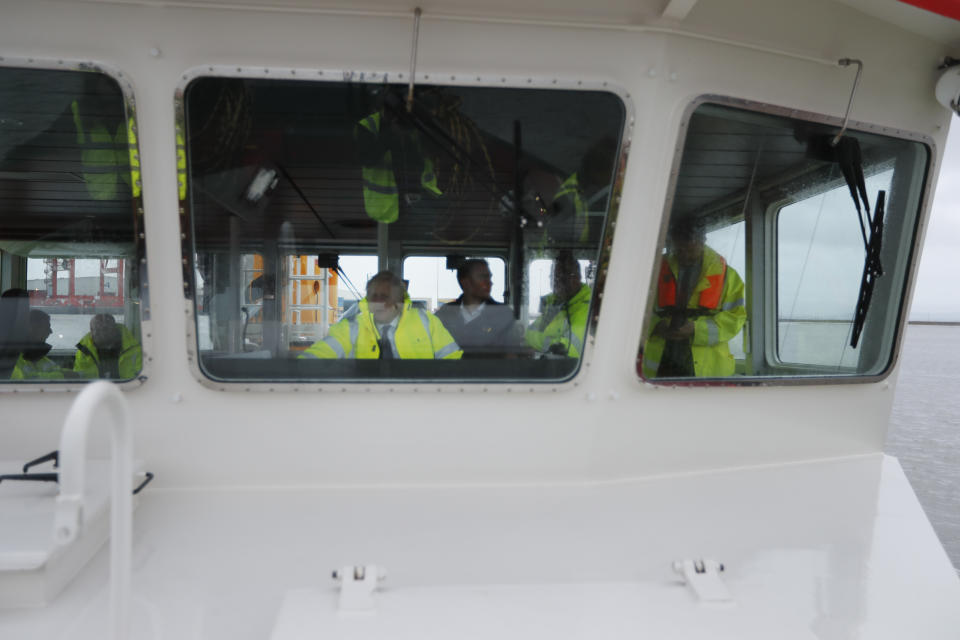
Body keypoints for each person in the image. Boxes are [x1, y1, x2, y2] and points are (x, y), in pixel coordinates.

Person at [641, 219, 746, 378]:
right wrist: (657, 326)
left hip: (709, 367)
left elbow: (736, 317)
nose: (685, 255)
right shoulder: (654, 271)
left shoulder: (728, 277)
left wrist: (696, 329)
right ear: (672, 243)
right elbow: (637, 309)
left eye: (690, 249)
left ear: (702, 241)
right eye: (680, 250)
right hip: (661, 361)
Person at [301, 271, 462, 360]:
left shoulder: (427, 322)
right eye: (374, 296)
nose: (379, 302)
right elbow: (315, 359)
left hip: (417, 401)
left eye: (385, 296)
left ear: (399, 300)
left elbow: (453, 362)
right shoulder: (350, 328)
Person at [354, 98, 441, 224]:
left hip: (411, 200)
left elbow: (422, 156)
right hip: (388, 205)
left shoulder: (412, 124)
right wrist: (392, 134)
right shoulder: (368, 126)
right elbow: (367, 159)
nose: (397, 117)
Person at [435, 259, 524, 357]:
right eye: (483, 277)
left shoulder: (503, 314)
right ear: (466, 283)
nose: (489, 283)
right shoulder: (445, 314)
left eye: (489, 278)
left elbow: (512, 356)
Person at [526, 252, 592, 358]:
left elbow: (566, 348)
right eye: (553, 277)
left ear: (576, 278)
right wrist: (549, 342)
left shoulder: (586, 307)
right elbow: (528, 334)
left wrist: (541, 342)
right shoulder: (554, 303)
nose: (555, 283)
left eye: (560, 278)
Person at [74, 313, 142, 379]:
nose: (101, 333)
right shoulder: (84, 351)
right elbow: (80, 377)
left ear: (115, 330)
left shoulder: (135, 349)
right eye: (97, 329)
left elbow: (141, 379)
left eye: (105, 329)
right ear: (91, 331)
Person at [11, 310, 63, 380]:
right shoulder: (9, 358)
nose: (50, 331)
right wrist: (62, 376)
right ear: (31, 328)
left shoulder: (41, 358)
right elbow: (26, 382)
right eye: (46, 327)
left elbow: (60, 371)